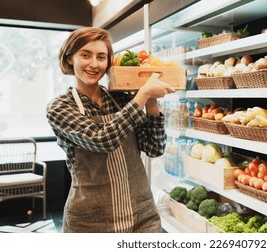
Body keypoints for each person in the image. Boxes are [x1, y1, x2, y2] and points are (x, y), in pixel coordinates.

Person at [46, 27, 175, 233]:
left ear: (108, 62)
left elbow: (154, 148)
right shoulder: (60, 107)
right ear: (70, 58)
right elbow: (102, 140)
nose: (94, 64)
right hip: (91, 220)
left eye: (101, 57)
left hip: (141, 215)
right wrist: (141, 96)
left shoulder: (122, 99)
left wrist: (151, 102)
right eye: (85, 55)